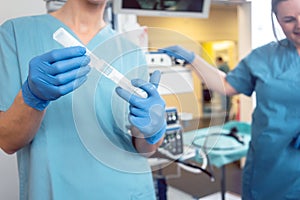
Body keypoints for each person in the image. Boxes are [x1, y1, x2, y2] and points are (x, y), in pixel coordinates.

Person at [0, 0, 166, 199]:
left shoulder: (131, 50)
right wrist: (32, 97)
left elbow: (145, 150)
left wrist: (152, 132)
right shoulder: (17, 34)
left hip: (129, 191)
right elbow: (7, 141)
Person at [159, 0, 300, 199]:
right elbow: (228, 84)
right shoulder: (264, 58)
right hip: (270, 166)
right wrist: (192, 59)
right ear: (277, 20)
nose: (299, 24)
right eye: (289, 19)